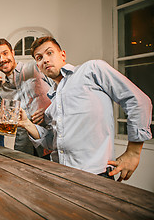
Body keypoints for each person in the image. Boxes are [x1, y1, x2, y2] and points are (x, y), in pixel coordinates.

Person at [21, 36, 152, 180]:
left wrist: (133, 153)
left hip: (96, 176)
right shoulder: (53, 104)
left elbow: (138, 100)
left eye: (49, 53)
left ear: (62, 55)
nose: (45, 60)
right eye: (39, 58)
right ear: (38, 67)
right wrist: (27, 123)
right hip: (60, 174)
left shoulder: (92, 69)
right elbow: (53, 143)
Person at [0, 38, 52, 156]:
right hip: (23, 148)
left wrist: (49, 109)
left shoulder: (35, 68)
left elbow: (61, 90)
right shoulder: (2, 90)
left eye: (5, 53)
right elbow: (3, 126)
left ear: (12, 52)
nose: (2, 59)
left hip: (49, 143)